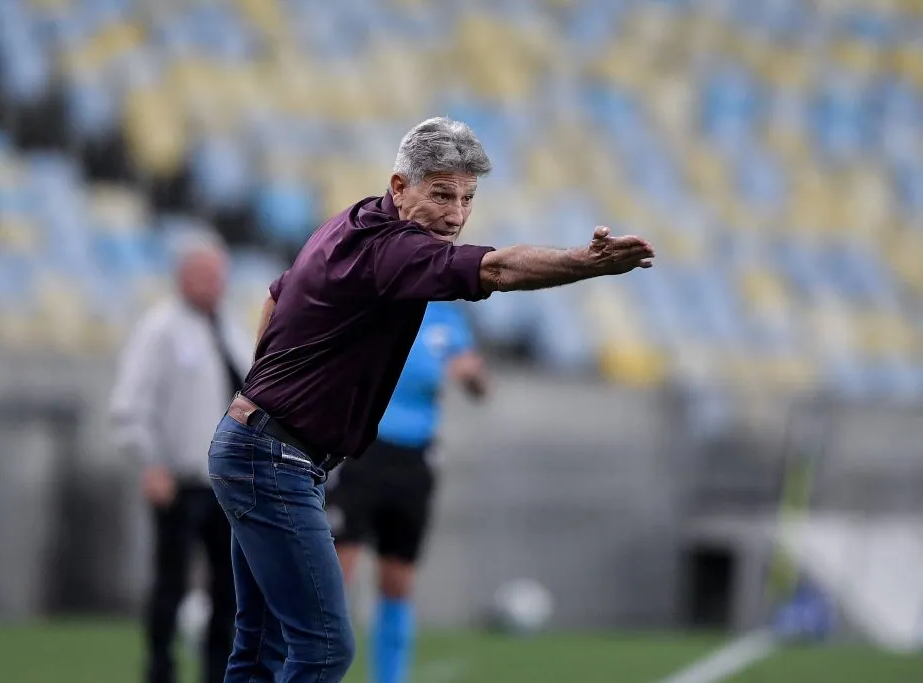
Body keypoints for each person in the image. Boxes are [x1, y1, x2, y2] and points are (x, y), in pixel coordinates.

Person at [207, 116, 656, 683]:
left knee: (261, 646)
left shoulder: (352, 220)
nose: (456, 213)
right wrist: (583, 264)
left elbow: (277, 294)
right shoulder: (396, 251)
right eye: (441, 194)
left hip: (258, 445)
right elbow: (495, 268)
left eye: (467, 197)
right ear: (400, 187)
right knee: (323, 648)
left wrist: (263, 389)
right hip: (274, 459)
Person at [110, 231, 251, 683]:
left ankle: (218, 670)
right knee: (171, 581)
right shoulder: (160, 329)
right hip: (180, 477)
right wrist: (151, 461)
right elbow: (131, 404)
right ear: (182, 277)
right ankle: (160, 668)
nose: (213, 283)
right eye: (203, 274)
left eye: (217, 274)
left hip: (226, 483)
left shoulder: (230, 328)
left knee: (229, 588)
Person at [328, 300, 488, 683]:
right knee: (335, 574)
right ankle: (315, 672)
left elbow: (480, 385)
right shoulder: (378, 302)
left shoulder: (447, 319)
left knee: (397, 579)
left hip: (414, 462)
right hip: (362, 453)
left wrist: (472, 375)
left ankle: (389, 678)